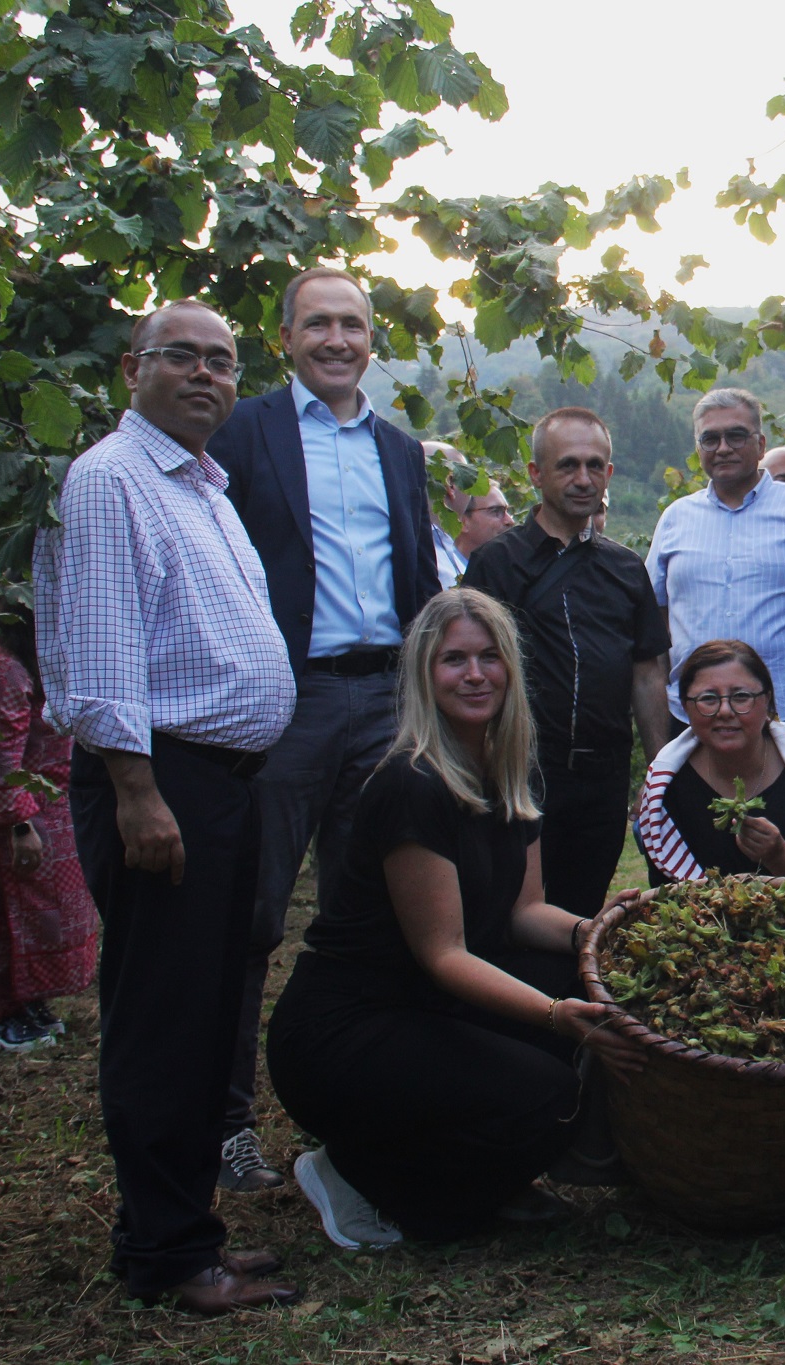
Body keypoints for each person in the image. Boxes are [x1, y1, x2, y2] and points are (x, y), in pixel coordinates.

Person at [34, 299, 297, 1312]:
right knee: (162, 1023)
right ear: (133, 368)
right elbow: (100, 658)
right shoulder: (110, 480)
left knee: (200, 1014)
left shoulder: (202, 485)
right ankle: (168, 1259)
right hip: (161, 786)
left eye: (223, 363)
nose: (205, 375)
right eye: (180, 356)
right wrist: (137, 793)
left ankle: (186, 1230)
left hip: (215, 785)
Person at [267, 588, 640, 1246]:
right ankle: (361, 1173)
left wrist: (595, 932)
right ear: (424, 674)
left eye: (489, 657)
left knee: (575, 977)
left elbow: (525, 914)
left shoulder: (511, 769)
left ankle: (461, 1161)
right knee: (546, 1092)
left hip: (425, 1004)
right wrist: (556, 1017)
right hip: (346, 1028)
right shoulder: (409, 783)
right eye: (454, 659)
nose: (475, 674)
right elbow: (445, 953)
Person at [206, 265, 442, 1193]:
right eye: (319, 325)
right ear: (286, 339)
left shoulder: (397, 447)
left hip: (385, 699)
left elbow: (417, 580)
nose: (337, 340)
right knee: (249, 912)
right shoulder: (243, 431)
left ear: (371, 337)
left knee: (381, 912)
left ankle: (365, 1113)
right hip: (285, 699)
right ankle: (222, 1123)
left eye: (352, 324)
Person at [461, 407, 673, 916]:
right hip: (521, 771)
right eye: (568, 465)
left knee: (581, 907)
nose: (583, 479)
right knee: (509, 909)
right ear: (537, 474)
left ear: (609, 473)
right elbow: (472, 670)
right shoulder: (496, 564)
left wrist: (659, 775)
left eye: (595, 465)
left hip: (602, 777)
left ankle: (572, 996)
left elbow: (647, 673)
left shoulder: (624, 568)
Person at [646, 389, 785, 751]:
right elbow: (655, 619)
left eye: (736, 435)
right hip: (695, 716)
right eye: (710, 438)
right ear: (698, 448)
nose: (723, 448)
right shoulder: (675, 519)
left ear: (760, 444)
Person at [0, 595, 98, 1053]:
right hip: (2, 803)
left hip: (40, 798)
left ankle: (30, 1002)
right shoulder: (0, 668)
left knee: (38, 906)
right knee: (2, 907)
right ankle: (5, 1015)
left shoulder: (30, 658)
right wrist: (17, 823)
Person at [635, 640, 785, 884]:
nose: (725, 711)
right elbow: (665, 898)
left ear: (767, 701)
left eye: (741, 697)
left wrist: (780, 856)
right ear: (686, 707)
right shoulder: (666, 787)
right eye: (708, 699)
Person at [424, 440, 515, 588]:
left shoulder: (440, 552)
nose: (510, 521)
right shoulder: (432, 561)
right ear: (450, 486)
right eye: (496, 511)